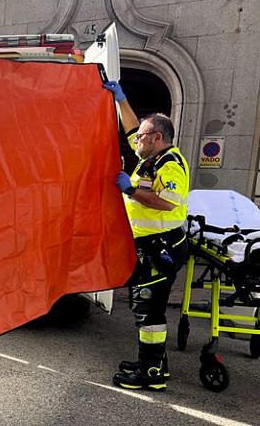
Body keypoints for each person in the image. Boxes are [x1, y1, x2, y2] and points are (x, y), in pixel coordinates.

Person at [105, 81, 190, 391]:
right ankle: (152, 363)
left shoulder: (171, 165)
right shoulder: (150, 156)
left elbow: (168, 202)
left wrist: (132, 190)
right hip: (150, 246)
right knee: (145, 305)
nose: (135, 140)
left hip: (161, 248)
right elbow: (130, 128)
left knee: (148, 308)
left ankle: (151, 372)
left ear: (157, 138)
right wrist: (121, 99)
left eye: (141, 136)